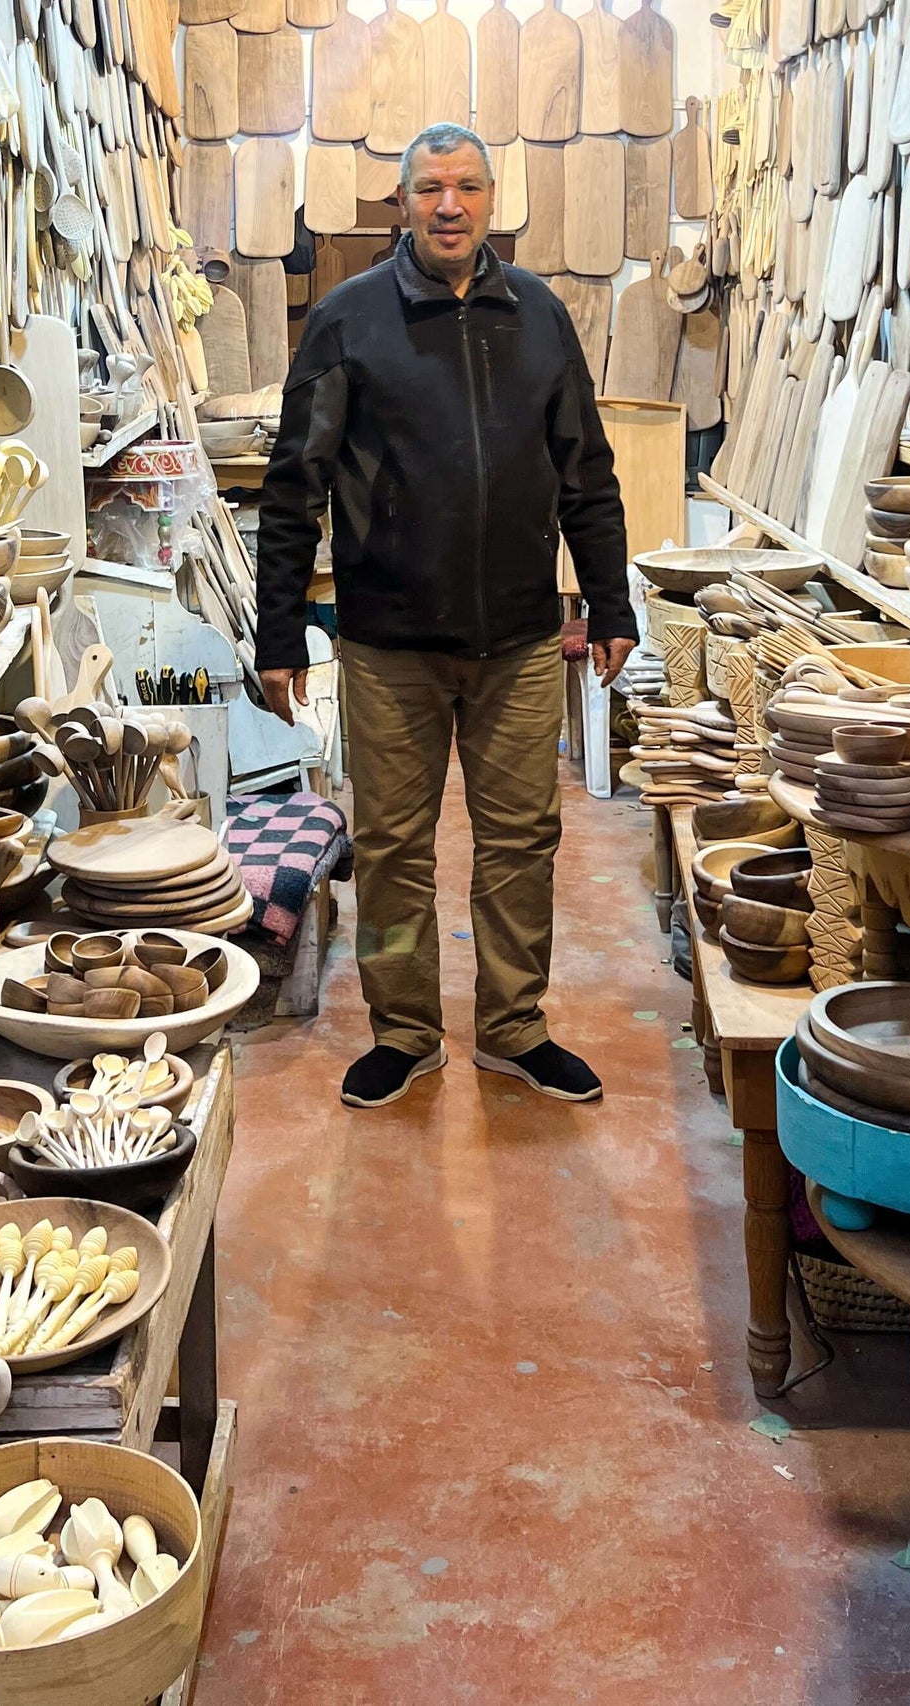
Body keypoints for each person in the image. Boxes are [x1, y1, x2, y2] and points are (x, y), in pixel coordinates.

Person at [254, 123, 638, 1110]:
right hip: (387, 646)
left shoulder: (540, 317)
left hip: (516, 641)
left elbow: (586, 473)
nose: (449, 205)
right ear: (401, 202)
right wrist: (277, 625)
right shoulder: (346, 319)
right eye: (429, 187)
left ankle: (513, 1026)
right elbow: (294, 482)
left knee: (520, 845)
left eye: (466, 186)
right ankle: (403, 1031)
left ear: (489, 196)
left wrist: (609, 599)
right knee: (390, 851)